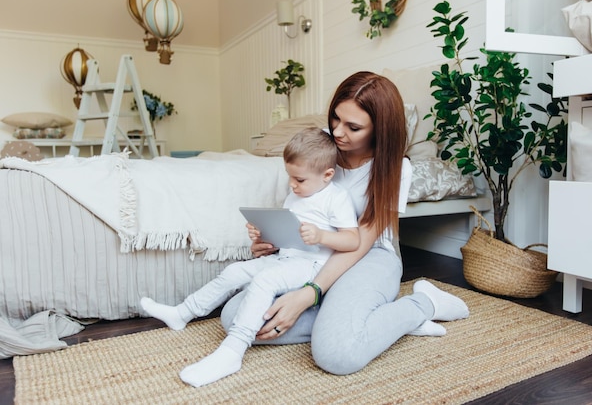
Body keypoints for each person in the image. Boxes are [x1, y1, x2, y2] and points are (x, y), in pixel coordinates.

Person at [220, 71, 470, 376]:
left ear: (380, 130)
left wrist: (309, 293)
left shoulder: (394, 169)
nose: (338, 132)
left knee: (337, 356)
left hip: (369, 255)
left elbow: (361, 241)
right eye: (335, 119)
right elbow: (304, 214)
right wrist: (274, 243)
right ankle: (366, 322)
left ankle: (423, 304)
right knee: (234, 317)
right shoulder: (320, 154)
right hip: (317, 255)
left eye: (353, 127)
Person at [140, 127, 361, 387]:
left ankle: (233, 350)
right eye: (290, 177)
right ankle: (183, 312)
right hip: (286, 259)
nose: (292, 184)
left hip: (313, 266)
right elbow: (287, 239)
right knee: (235, 272)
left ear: (327, 175)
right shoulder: (294, 196)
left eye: (299, 180)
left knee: (265, 281)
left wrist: (322, 236)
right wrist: (263, 236)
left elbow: (353, 240)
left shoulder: (335, 198)